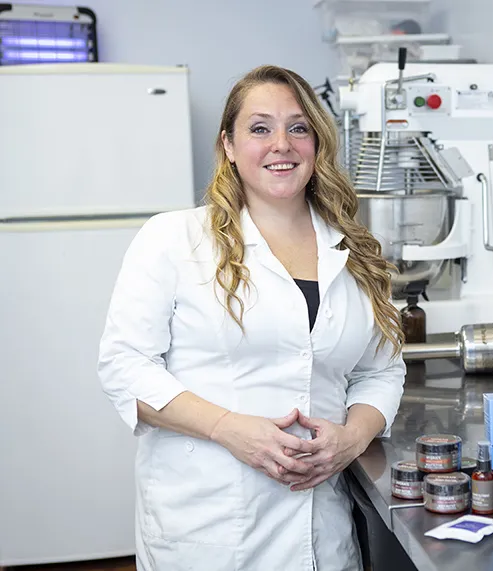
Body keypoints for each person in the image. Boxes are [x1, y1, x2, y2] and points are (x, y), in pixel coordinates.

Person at [97, 64, 406, 571]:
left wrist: (352, 438)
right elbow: (125, 369)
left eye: (298, 127)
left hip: (320, 528)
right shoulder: (175, 239)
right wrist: (228, 428)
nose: (280, 144)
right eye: (259, 128)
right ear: (229, 145)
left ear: (316, 143)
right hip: (208, 524)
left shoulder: (355, 251)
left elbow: (382, 370)